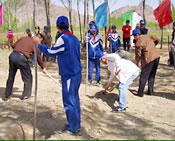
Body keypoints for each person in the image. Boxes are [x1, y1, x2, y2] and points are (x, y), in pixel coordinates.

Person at [38, 16, 82, 134]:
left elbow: (51, 52)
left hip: (69, 74)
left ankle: (73, 128)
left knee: (69, 100)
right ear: (67, 25)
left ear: (57, 27)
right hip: (76, 73)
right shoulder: (75, 38)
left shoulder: (63, 38)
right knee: (74, 99)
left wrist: (39, 45)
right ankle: (75, 124)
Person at [4, 35, 45, 101]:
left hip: (13, 56)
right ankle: (26, 95)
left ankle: (7, 94)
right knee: (28, 77)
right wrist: (43, 67)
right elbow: (38, 56)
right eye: (41, 41)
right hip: (22, 58)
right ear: (39, 39)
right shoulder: (35, 43)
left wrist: (22, 50)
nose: (40, 42)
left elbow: (13, 46)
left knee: (11, 76)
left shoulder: (24, 38)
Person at [132, 29, 160, 97]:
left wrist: (136, 63)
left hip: (149, 59)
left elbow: (138, 55)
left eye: (134, 36)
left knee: (143, 76)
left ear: (136, 36)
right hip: (156, 56)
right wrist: (153, 46)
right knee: (152, 75)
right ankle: (150, 91)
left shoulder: (138, 43)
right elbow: (157, 39)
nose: (134, 38)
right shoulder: (148, 36)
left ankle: (140, 93)